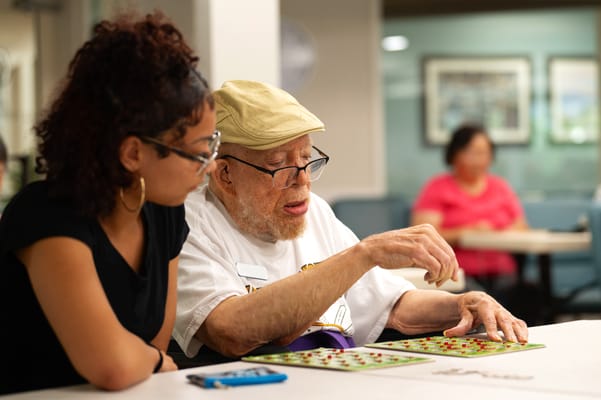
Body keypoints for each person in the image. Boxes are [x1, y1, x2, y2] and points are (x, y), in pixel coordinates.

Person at [173, 80, 527, 364]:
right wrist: (363, 254)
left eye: (307, 160)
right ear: (225, 175)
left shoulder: (315, 213)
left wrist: (460, 304)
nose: (303, 182)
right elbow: (229, 330)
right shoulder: (188, 223)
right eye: (280, 165)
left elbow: (392, 308)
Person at [0, 12, 219, 394]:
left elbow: (154, 349)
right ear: (133, 152)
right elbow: (115, 367)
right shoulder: (46, 216)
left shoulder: (164, 210)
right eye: (199, 153)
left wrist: (145, 358)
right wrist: (146, 358)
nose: (210, 165)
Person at [411, 124, 528, 289]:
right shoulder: (437, 188)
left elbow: (521, 227)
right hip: (455, 274)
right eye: (472, 153)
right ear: (454, 155)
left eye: (484, 153)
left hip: (503, 273)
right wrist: (466, 232)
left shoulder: (501, 187)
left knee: (527, 295)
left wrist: (496, 233)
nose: (479, 160)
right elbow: (422, 235)